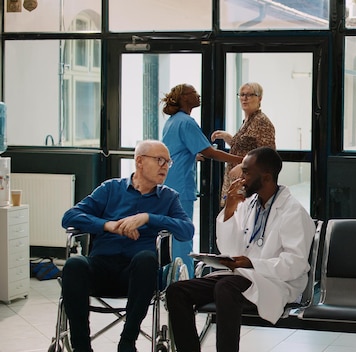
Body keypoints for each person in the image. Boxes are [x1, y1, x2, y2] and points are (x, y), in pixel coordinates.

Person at [166, 147, 315, 352]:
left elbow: (295, 264)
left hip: (276, 282)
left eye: (246, 172)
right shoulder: (248, 204)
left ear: (266, 177)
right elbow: (229, 248)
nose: (240, 177)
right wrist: (229, 210)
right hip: (243, 277)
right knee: (177, 291)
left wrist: (252, 263)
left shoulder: (293, 212)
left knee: (226, 287)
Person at [61, 140, 194, 352]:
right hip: (101, 267)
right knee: (74, 264)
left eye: (168, 162)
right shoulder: (110, 189)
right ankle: (81, 347)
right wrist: (108, 225)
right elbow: (69, 217)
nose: (165, 166)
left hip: (139, 275)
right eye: (160, 160)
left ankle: (127, 342)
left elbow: (187, 230)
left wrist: (149, 218)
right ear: (139, 161)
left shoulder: (168, 198)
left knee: (146, 259)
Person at [161, 83, 243, 278]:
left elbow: (177, 150)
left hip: (169, 184)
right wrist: (241, 159)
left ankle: (171, 280)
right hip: (181, 187)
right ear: (183, 98)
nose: (198, 95)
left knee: (173, 236)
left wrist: (192, 155)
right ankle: (185, 281)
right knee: (183, 236)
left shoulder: (172, 121)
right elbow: (209, 152)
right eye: (192, 93)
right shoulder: (187, 122)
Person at [211, 82, 276, 205]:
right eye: (242, 94)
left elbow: (268, 154)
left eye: (250, 95)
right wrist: (228, 138)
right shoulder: (247, 120)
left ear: (260, 98)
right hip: (235, 180)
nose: (245, 98)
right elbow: (246, 147)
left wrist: (243, 166)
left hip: (248, 181)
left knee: (240, 217)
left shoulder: (261, 121)